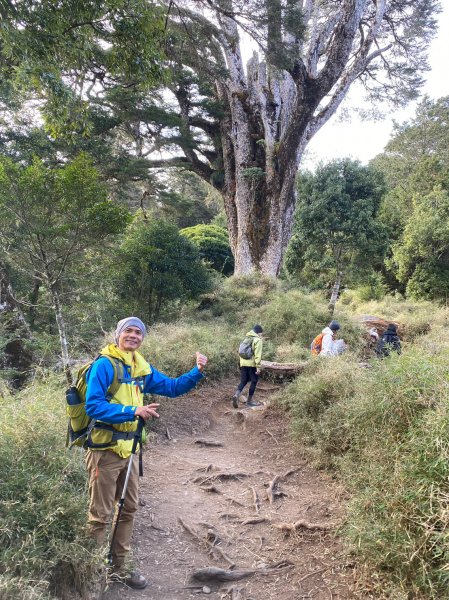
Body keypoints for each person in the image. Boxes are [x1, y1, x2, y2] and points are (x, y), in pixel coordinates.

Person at [85, 316, 207, 590]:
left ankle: (121, 566)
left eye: (138, 332)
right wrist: (133, 411)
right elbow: (93, 406)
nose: (133, 336)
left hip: (129, 451)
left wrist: (196, 371)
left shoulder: (140, 367)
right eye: (128, 331)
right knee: (100, 514)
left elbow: (172, 387)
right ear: (118, 335)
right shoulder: (104, 365)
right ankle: (90, 570)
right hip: (104, 452)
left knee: (128, 508)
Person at [231, 324, 263, 408]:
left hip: (243, 363)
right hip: (252, 364)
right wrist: (258, 367)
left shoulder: (246, 338)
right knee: (254, 381)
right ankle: (249, 401)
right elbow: (258, 355)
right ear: (259, 332)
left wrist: (242, 363)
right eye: (261, 334)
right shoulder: (257, 340)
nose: (261, 335)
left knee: (243, 381)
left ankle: (236, 395)